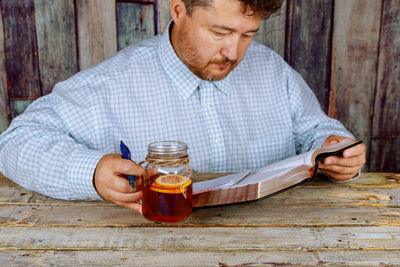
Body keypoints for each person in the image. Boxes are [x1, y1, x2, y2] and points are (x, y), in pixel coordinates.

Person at [0, 0, 366, 213]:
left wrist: (338, 151)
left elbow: (315, 133)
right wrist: (92, 171)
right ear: (178, 9)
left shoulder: (272, 70)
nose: (234, 52)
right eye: (220, 33)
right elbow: (15, 143)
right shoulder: (108, 86)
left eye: (248, 35)